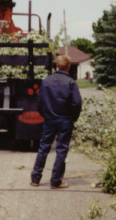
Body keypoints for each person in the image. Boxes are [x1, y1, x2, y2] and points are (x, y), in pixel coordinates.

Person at [30, 54, 82, 189]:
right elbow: (76, 104)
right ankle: (56, 181)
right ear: (69, 67)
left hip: (49, 119)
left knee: (43, 148)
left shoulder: (46, 81)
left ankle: (35, 179)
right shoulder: (71, 83)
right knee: (61, 150)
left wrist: (46, 115)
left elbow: (39, 101)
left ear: (56, 66)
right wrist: (73, 118)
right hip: (65, 120)